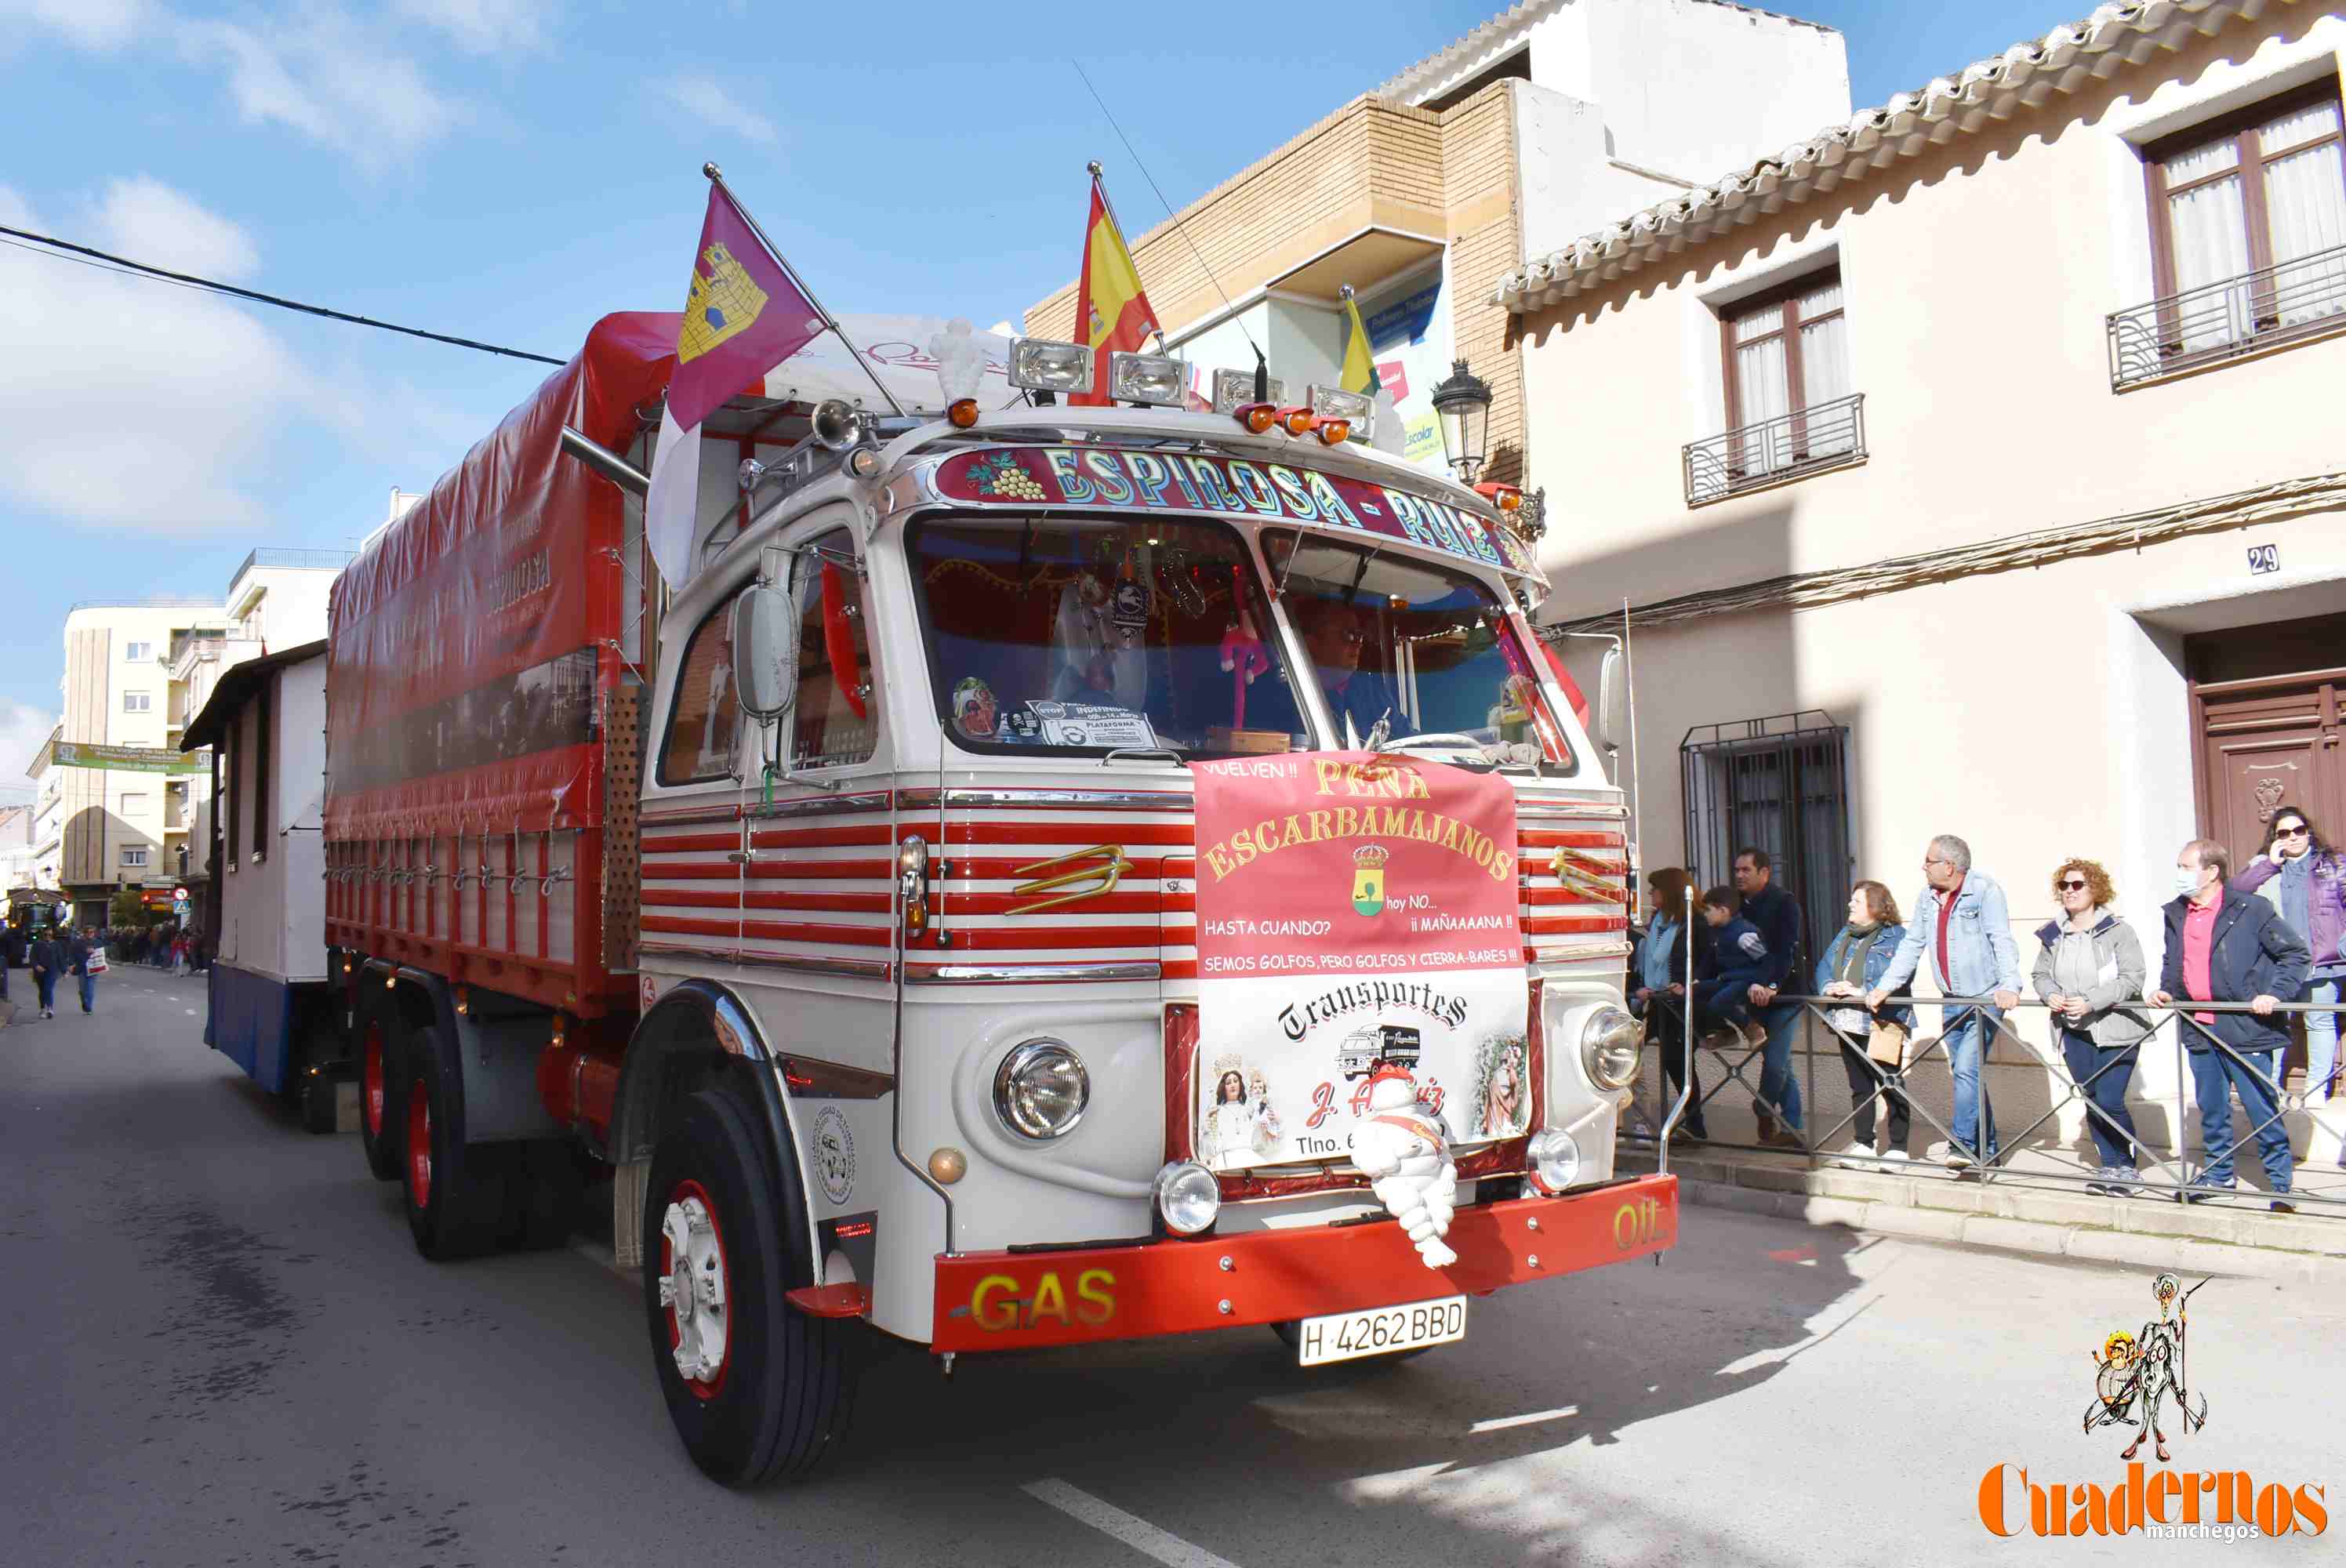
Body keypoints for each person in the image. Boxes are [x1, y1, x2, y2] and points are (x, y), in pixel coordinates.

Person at [2148, 839, 2309, 1210]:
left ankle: (2279, 1184)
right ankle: (2219, 1176)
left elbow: (2295, 954)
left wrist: (2274, 994)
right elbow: (2176, 960)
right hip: (2199, 1025)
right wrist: (2167, 990)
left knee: (2260, 1106)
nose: (2179, 875)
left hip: (2245, 1025)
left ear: (2212, 871)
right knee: (2212, 1107)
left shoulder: (2251, 909)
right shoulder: (2177, 912)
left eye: (2186, 867)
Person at [1868, 834, 2022, 1174]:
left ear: (1949, 866)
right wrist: (1885, 987)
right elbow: (1912, 945)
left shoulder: (1985, 891)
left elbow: (2001, 938)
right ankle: (1989, 1148)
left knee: (1967, 1070)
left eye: (1929, 861)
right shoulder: (1928, 897)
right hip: (1951, 999)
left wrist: (2010, 985)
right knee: (1967, 1074)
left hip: (1985, 997)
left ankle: (1963, 1145)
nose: (1923, 866)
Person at [2032, 858, 2153, 1196]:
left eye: (2077, 885)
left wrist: (2091, 1000)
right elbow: (2040, 975)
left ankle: (2128, 1167)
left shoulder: (2117, 931)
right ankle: (2109, 1166)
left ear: (2095, 890)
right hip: (2073, 1028)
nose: (2069, 892)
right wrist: (2051, 995)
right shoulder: (2053, 934)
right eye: (2064, 886)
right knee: (2092, 1098)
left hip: (2117, 1028)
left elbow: (2133, 977)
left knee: (2111, 1099)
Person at [2233, 804, 2345, 1105]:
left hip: (2322, 962)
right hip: (2277, 964)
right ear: (2275, 837)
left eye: (2299, 830)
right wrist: (2269, 864)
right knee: (2275, 1022)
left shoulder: (2333, 864)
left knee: (2319, 1021)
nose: (2293, 837)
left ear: (2308, 832)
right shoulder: (2265, 866)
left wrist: (2343, 945)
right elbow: (2235, 892)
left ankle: (2316, 1089)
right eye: (2284, 833)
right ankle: (2268, 1088)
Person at [1815, 880, 1919, 1167]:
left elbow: (1900, 974)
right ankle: (1863, 1144)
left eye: (1857, 901)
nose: (1850, 905)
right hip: (1846, 1018)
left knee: (1890, 1081)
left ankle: (1898, 1148)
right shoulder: (1845, 934)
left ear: (1875, 906)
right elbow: (1825, 963)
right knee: (1859, 1085)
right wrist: (1829, 986)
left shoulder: (1897, 936)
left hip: (1881, 1021)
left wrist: (1862, 990)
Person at [1731, 847, 1807, 1151]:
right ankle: (1794, 1127)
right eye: (1736, 870)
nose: (1739, 875)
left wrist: (1772, 983)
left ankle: (1763, 1107)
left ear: (1764, 873)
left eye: (1745, 870)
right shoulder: (1738, 906)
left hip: (1785, 995)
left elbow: (1785, 949)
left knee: (1776, 1062)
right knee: (1782, 1062)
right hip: (1752, 995)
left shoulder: (1784, 903)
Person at [1631, 868, 1709, 1142]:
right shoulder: (1659, 922)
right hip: (1657, 1001)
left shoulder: (1694, 921)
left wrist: (1688, 985)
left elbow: (1705, 961)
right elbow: (1652, 960)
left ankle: (1695, 1124)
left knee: (1677, 1061)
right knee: (1628, 1051)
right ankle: (1637, 1121)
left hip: (1680, 1003)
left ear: (1671, 891)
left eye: (1655, 889)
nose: (1650, 893)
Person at [1295, 596, 1411, 746]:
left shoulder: (1372, 692)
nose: (1358, 645)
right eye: (1349, 635)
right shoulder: (1287, 692)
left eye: (1360, 637)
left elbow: (1408, 739)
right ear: (1311, 643)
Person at [1693, 887, 1771, 1054]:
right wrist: (1697, 980)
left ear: (1723, 911)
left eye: (1708, 910)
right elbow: (1710, 960)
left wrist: (1761, 983)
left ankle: (1752, 1028)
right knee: (1695, 992)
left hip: (1747, 980)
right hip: (1727, 979)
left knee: (1718, 1002)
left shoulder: (1744, 934)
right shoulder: (1717, 933)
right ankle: (1726, 1032)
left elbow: (1766, 961)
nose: (1705, 914)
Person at [29, 928, 61, 1019]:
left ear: (52, 935)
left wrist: (64, 970)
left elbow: (60, 958)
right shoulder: (37, 944)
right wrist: (36, 966)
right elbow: (32, 957)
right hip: (40, 971)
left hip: (52, 970)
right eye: (46, 934)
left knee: (48, 988)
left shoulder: (56, 945)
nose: (48, 936)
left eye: (50, 935)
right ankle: (43, 1008)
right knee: (42, 990)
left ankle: (50, 1009)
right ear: (43, 935)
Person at [69, 926, 99, 1014]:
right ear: (84, 933)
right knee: (82, 990)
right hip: (82, 968)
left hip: (93, 968)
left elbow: (101, 952)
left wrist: (94, 950)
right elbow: (71, 954)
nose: (90, 934)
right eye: (88, 932)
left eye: (92, 932)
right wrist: (71, 964)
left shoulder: (97, 942)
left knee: (90, 988)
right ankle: (85, 1003)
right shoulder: (78, 943)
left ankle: (89, 1007)